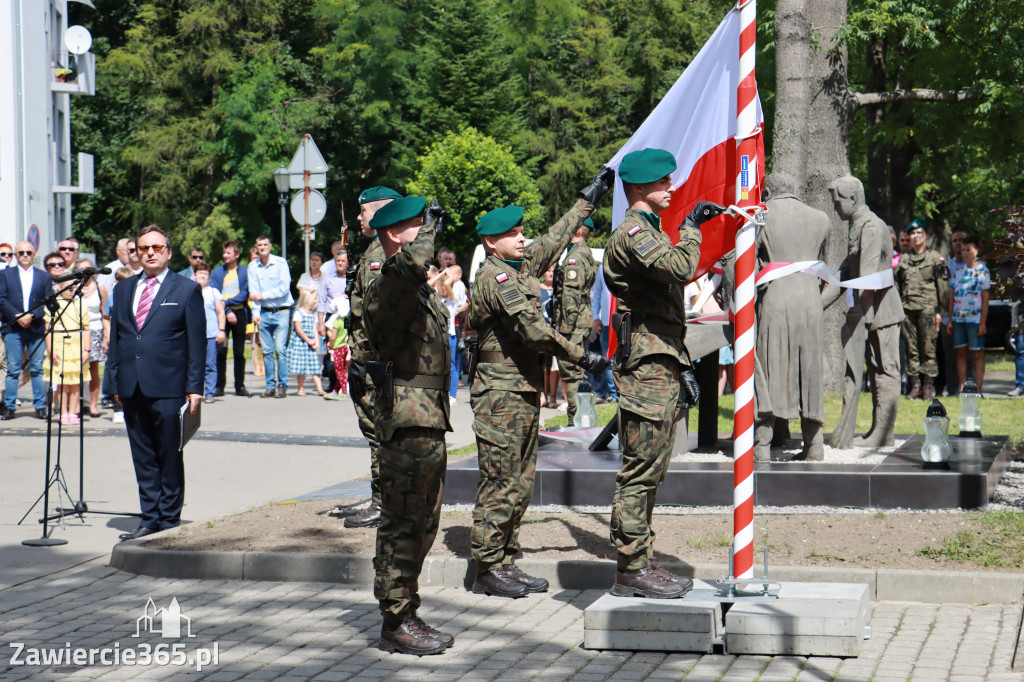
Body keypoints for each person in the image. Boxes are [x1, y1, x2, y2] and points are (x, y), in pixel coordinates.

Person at [468, 166, 613, 598]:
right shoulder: (495, 277)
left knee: (521, 479)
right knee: (500, 479)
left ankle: (506, 560)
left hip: (522, 391)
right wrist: (579, 354)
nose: (523, 238)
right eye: (513, 234)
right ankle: (487, 566)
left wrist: (589, 198)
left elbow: (556, 236)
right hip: (499, 394)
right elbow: (532, 329)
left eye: (522, 231)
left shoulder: (522, 267)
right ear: (491, 242)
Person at [603, 148, 722, 598]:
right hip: (646, 366)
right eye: (663, 183)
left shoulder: (648, 229)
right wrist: (692, 228)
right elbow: (681, 267)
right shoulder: (634, 232)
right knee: (640, 471)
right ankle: (630, 569)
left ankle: (641, 561)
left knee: (652, 469)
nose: (672, 188)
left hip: (661, 358)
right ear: (638, 188)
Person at [362, 196, 454, 656]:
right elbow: (414, 263)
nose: (427, 229)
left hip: (428, 416)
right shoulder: (389, 281)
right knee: (402, 522)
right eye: (419, 223)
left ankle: (408, 609)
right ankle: (393, 619)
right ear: (396, 234)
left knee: (424, 520)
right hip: (406, 419)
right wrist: (428, 234)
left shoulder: (412, 284)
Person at [108, 225, 205, 541]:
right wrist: (114, 382)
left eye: (156, 247)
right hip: (131, 386)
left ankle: (168, 518)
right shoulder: (123, 290)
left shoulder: (186, 289)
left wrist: (195, 388)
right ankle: (149, 518)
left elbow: (196, 343)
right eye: (143, 248)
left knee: (168, 454)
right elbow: (118, 339)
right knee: (143, 456)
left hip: (169, 386)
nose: (149, 253)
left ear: (169, 252)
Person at [753, 172, 830, 461]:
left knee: (770, 368)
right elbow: (828, 271)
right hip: (811, 302)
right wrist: (818, 303)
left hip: (775, 300)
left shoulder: (762, 216)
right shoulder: (821, 218)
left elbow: (746, 262)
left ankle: (761, 445)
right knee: (809, 371)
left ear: (769, 191)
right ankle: (814, 445)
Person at [825, 176, 905, 449]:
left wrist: (862, 316)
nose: (835, 208)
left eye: (837, 202)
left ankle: (883, 433)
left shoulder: (871, 227)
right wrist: (816, 304)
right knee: (875, 369)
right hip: (870, 308)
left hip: (881, 311)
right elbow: (846, 272)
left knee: (885, 370)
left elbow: (869, 278)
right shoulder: (858, 225)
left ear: (852, 199)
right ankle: (877, 431)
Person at [344, 186, 402, 529]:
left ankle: (385, 503)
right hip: (366, 357)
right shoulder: (373, 248)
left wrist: (367, 359)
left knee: (381, 432)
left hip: (376, 361)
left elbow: (378, 313)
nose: (358, 217)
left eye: (363, 211)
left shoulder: (383, 253)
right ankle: (379, 496)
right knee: (374, 431)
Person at [895, 218, 950, 400]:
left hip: (928, 310)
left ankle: (928, 387)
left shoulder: (935, 258)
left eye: (919, 233)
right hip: (908, 310)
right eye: (912, 233)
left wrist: (940, 312)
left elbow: (943, 287)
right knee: (911, 349)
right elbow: (898, 284)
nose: (915, 236)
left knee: (928, 349)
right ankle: (915, 385)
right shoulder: (904, 259)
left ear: (926, 235)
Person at [1, 242, 53, 420]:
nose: (25, 255)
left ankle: (40, 406)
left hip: (36, 326)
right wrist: (17, 316)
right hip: (13, 327)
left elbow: (47, 301)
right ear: (16, 254)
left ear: (34, 254)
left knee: (37, 368)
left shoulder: (44, 276)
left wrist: (31, 316)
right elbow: (1, 299)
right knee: (13, 369)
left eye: (28, 252)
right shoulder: (5, 274)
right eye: (21, 252)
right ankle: (9, 406)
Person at [554, 218, 597, 423]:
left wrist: (564, 330)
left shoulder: (575, 257)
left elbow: (570, 295)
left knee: (571, 372)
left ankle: (576, 421)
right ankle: (580, 419)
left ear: (578, 229)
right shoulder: (582, 252)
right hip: (581, 318)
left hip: (574, 322)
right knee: (576, 371)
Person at [249, 235, 293, 398]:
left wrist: (262, 296)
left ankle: (282, 385)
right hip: (264, 313)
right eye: (259, 245)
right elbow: (254, 294)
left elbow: (284, 289)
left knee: (280, 349)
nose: (262, 247)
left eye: (265, 244)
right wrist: (255, 312)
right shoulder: (253, 267)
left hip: (281, 311)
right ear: (256, 247)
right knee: (267, 351)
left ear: (270, 246)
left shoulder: (280, 263)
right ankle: (270, 385)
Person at [947, 234, 990, 392]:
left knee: (977, 354)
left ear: (977, 250)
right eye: (963, 250)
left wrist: (983, 322)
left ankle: (978, 389)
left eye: (968, 250)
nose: (965, 253)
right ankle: (963, 387)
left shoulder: (983, 270)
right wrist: (951, 320)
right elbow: (952, 297)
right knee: (961, 352)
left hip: (975, 320)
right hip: (959, 319)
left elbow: (985, 298)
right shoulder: (958, 271)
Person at [44, 275, 90, 424]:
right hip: (60, 346)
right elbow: (48, 329)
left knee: (76, 383)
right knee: (62, 383)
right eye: (68, 287)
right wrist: (51, 349)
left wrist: (86, 350)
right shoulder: (54, 304)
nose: (71, 290)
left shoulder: (81, 303)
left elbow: (86, 328)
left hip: (77, 348)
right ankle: (63, 412)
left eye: (74, 288)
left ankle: (73, 412)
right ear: (60, 287)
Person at [210, 240, 251, 397]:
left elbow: (244, 294)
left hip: (239, 314)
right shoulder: (217, 272)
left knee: (239, 352)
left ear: (237, 254)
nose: (225, 255)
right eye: (224, 252)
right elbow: (215, 294)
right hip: (221, 315)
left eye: (228, 252)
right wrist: (226, 310)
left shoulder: (244, 272)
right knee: (221, 351)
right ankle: (219, 385)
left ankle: (239, 385)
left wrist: (226, 303)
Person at [75, 258, 108, 418]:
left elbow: (104, 314)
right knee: (74, 369)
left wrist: (105, 337)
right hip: (76, 331)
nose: (85, 271)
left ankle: (93, 404)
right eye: (81, 269)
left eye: (88, 268)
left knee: (93, 368)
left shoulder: (100, 288)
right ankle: (75, 404)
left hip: (95, 330)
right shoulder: (72, 288)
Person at [193, 263, 225, 403]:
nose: (202, 276)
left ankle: (210, 392)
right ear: (194, 275)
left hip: (211, 334)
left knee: (210, 364)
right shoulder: (189, 291)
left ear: (209, 277)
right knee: (193, 365)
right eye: (200, 273)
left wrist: (221, 330)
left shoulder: (213, 292)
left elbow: (220, 313)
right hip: (193, 335)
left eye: (205, 274)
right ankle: (194, 391)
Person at [287, 290, 325, 397]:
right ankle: (300, 388)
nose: (316, 301)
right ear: (307, 300)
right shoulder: (298, 313)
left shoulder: (313, 314)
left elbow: (314, 328)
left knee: (315, 366)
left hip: (310, 344)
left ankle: (320, 389)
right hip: (301, 343)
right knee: (301, 368)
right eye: (314, 299)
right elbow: (298, 329)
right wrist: (308, 340)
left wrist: (316, 341)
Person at [589, 264, 617, 402]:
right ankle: (614, 394)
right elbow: (598, 293)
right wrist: (595, 317)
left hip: (626, 319)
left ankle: (622, 392)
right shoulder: (603, 268)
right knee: (608, 359)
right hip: (607, 320)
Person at [317, 248, 348, 334]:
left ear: (347, 262)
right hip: (331, 318)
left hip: (347, 318)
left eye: (343, 261)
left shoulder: (353, 278)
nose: (340, 263)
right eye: (338, 261)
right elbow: (321, 302)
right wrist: (320, 324)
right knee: (330, 346)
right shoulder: (328, 278)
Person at [325, 296, 350, 399]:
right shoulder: (347, 321)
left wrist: (330, 344)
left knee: (339, 371)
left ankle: (344, 391)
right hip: (345, 347)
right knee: (343, 369)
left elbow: (333, 336)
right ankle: (336, 390)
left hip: (338, 348)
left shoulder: (337, 321)